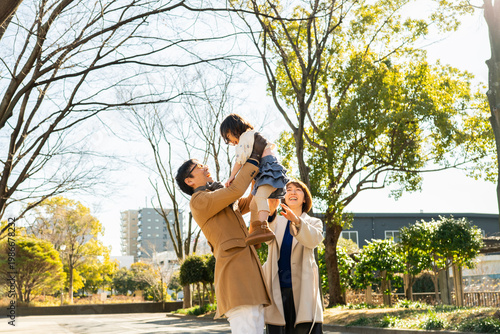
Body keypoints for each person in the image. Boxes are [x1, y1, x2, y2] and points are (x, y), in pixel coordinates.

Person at [175, 132, 271, 334]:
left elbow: (246, 201)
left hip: (249, 272)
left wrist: (264, 182)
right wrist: (253, 157)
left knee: (255, 324)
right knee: (246, 326)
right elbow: (235, 191)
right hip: (235, 275)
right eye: (199, 167)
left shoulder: (217, 196)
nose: (205, 167)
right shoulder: (199, 201)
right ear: (189, 180)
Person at [263, 180, 324, 334]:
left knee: (304, 329)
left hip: (304, 291)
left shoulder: (314, 222)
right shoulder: (275, 221)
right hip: (277, 289)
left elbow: (313, 240)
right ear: (284, 197)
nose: (293, 192)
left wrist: (296, 221)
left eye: (298, 190)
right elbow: (266, 239)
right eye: (288, 189)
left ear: (305, 199)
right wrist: (270, 213)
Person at [220, 113, 289, 246]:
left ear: (233, 129)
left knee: (260, 198)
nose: (231, 143)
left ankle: (263, 226)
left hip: (269, 171)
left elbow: (240, 159)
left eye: (228, 137)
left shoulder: (245, 137)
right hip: (266, 172)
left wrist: (232, 176)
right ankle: (257, 229)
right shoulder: (252, 136)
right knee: (253, 204)